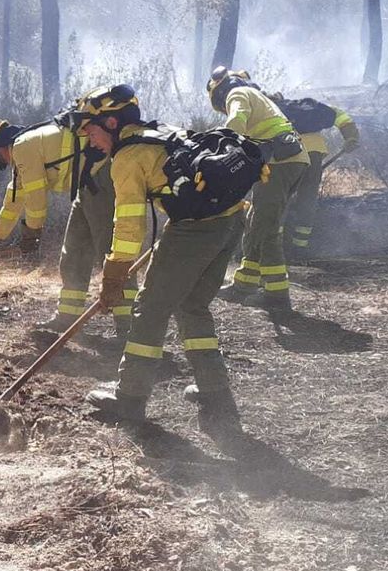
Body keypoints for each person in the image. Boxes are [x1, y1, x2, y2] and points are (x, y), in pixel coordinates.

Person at [75, 85, 249, 444]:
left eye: (90, 129)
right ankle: (216, 396)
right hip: (231, 220)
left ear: (110, 121)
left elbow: (128, 227)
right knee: (192, 305)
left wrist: (113, 276)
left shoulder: (127, 158)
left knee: (149, 310)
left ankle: (129, 398)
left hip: (195, 229)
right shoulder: (162, 131)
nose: (90, 139)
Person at [0, 112, 137, 335]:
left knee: (111, 253)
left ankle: (128, 327)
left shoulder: (23, 148)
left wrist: (32, 233)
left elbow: (36, 199)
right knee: (74, 253)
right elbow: (14, 201)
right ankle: (68, 317)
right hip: (87, 185)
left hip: (102, 178)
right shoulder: (25, 148)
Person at [206, 68, 309, 312]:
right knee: (257, 222)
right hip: (288, 161)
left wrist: (220, 154)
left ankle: (277, 295)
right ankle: (244, 283)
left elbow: (235, 122)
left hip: (278, 164)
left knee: (267, 227)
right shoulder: (256, 95)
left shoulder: (237, 93)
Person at [284, 100, 360, 256]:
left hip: (288, 155)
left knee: (279, 199)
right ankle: (300, 247)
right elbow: (341, 115)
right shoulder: (309, 109)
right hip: (314, 153)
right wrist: (351, 137)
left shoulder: (272, 109)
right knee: (307, 199)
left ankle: (275, 245)